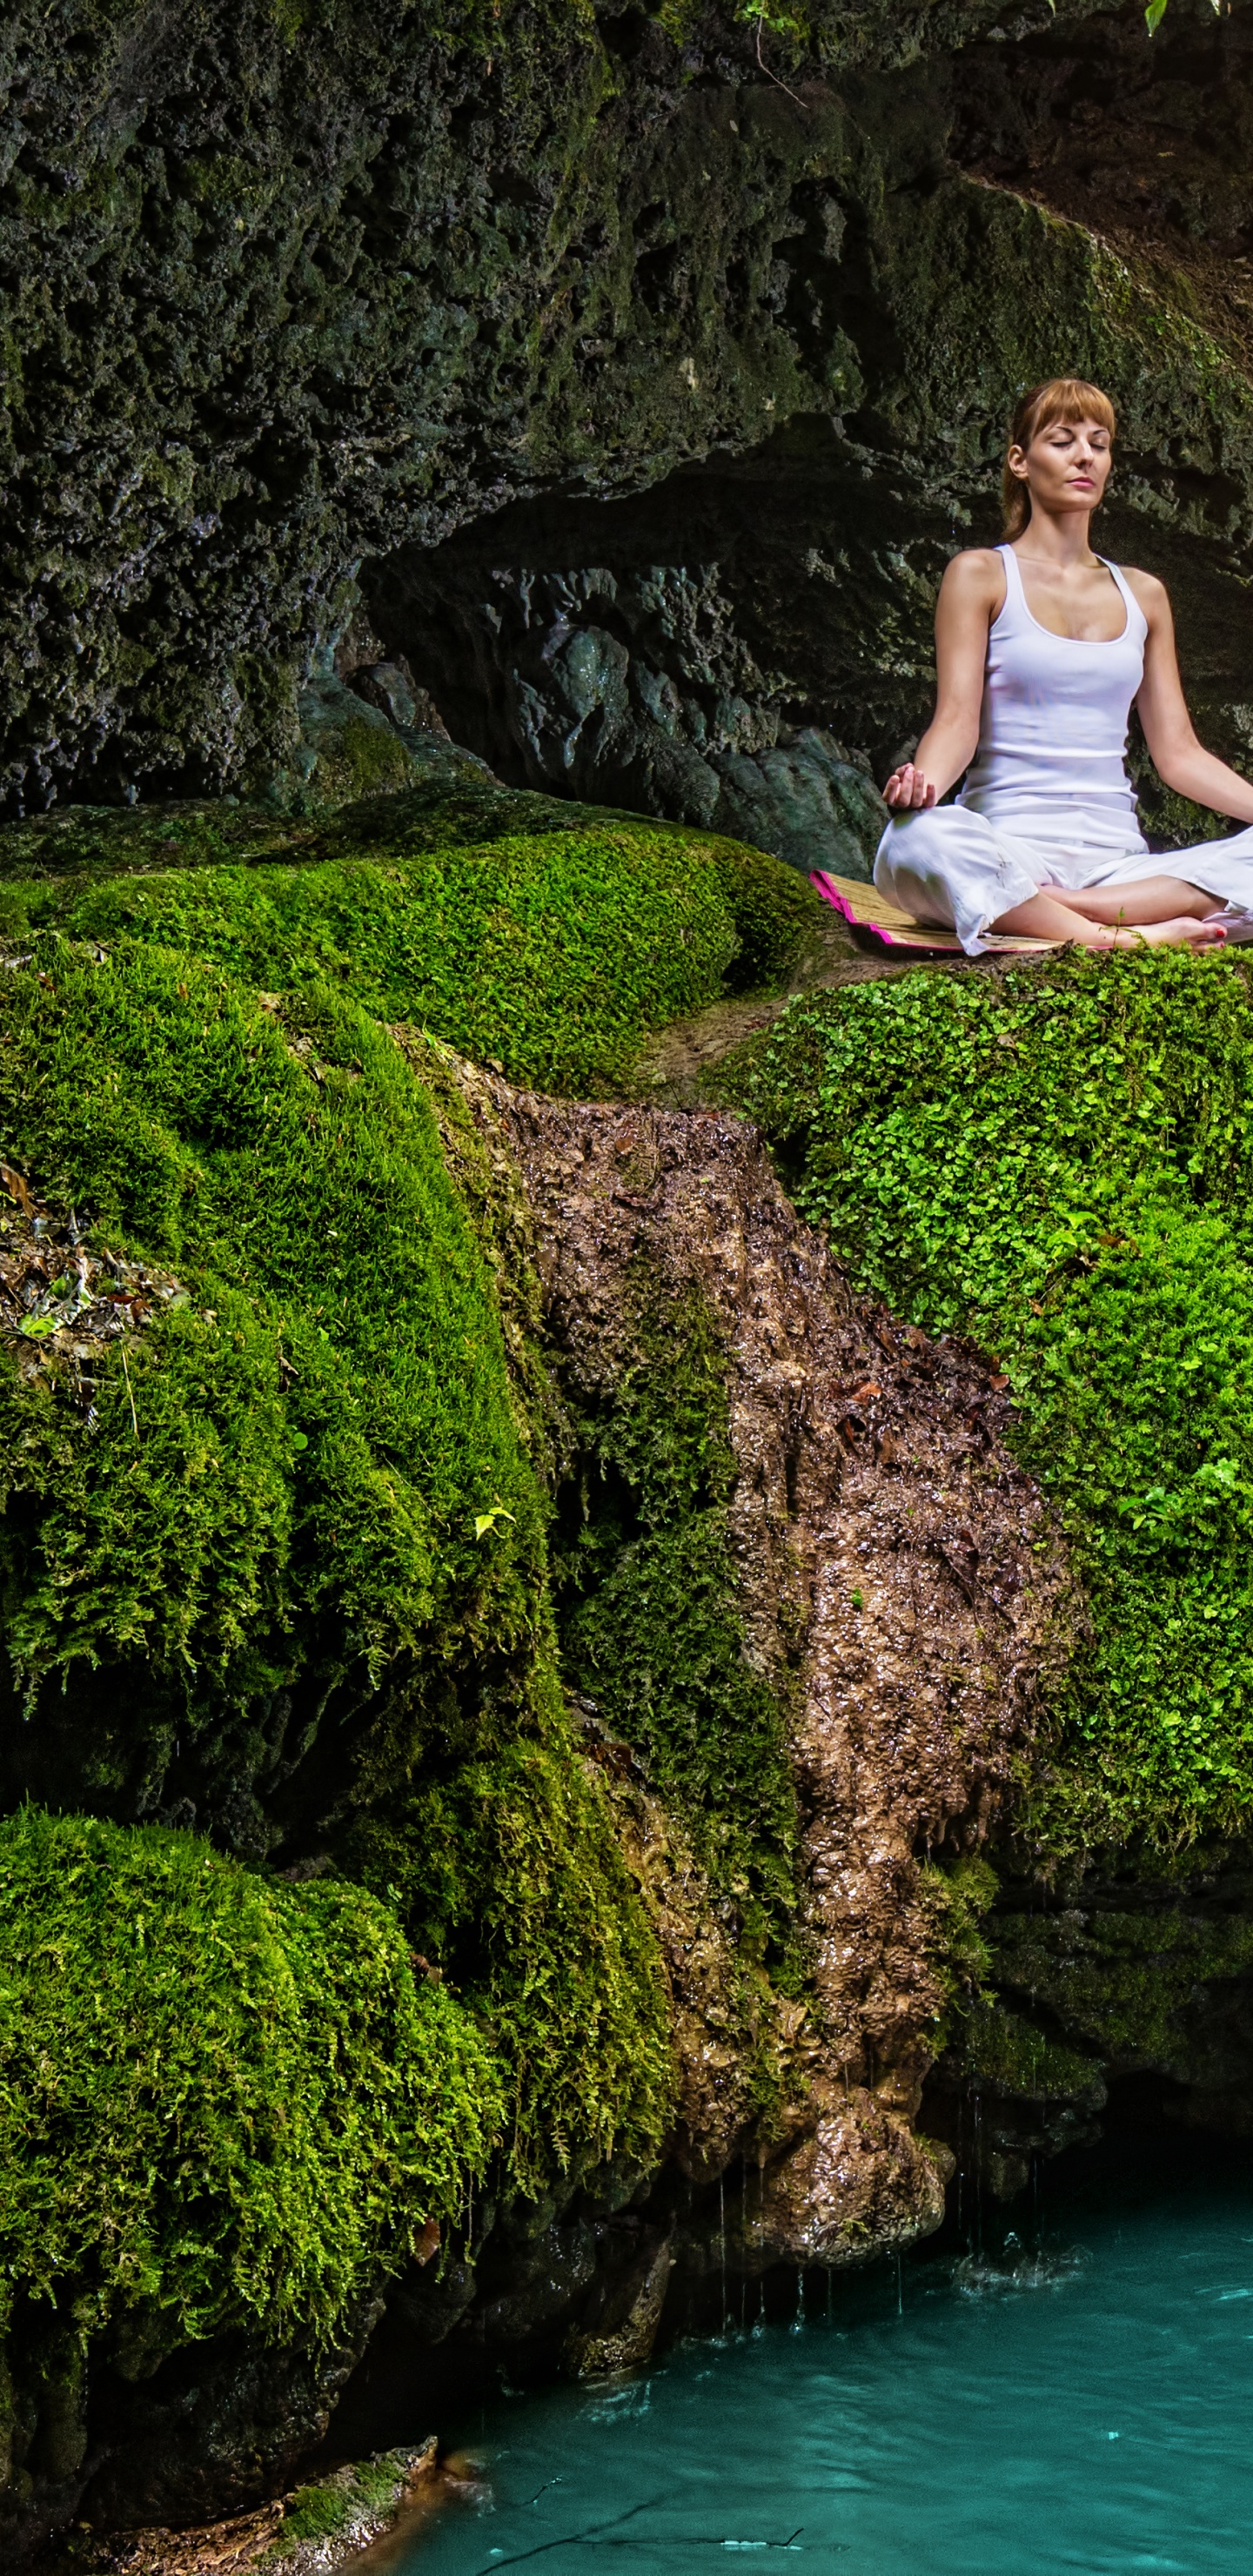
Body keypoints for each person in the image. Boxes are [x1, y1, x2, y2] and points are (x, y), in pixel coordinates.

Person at [875, 377, 1253, 953]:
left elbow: (1179, 754)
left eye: (1099, 444)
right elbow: (956, 721)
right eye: (1063, 440)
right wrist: (922, 787)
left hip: (1116, 865)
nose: (1085, 456)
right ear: (1020, 462)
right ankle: (1123, 939)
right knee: (913, 841)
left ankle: (1051, 909)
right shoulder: (979, 575)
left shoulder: (1146, 594)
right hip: (1008, 844)